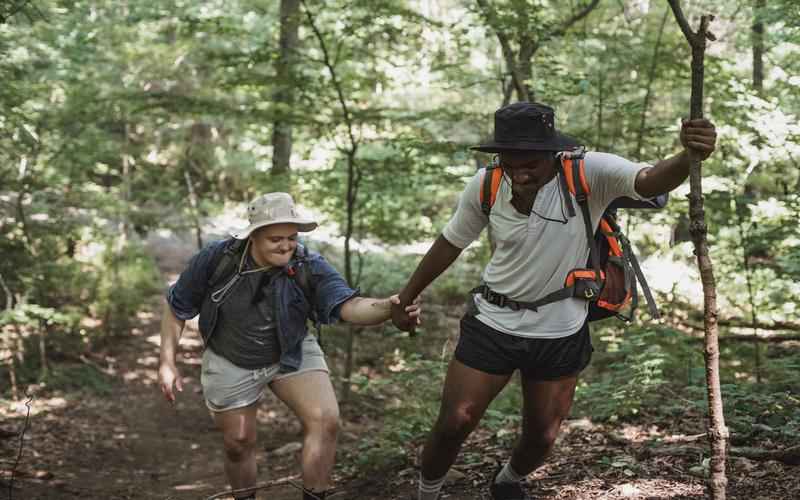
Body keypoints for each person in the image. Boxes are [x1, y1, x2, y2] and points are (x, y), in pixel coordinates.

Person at [390, 102, 717, 500]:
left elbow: (649, 182)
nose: (519, 174)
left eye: (530, 164)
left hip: (560, 330)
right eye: (510, 163)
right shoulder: (487, 183)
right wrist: (406, 297)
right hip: (492, 321)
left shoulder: (588, 173)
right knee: (454, 422)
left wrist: (688, 154)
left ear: (552, 154)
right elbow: (450, 242)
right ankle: (427, 493)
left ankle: (507, 481)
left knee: (542, 435)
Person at [158, 192, 421, 500]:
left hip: (291, 349)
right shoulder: (218, 259)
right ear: (253, 236)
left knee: (325, 420)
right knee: (238, 443)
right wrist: (167, 362)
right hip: (230, 356)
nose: (286, 246)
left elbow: (349, 306)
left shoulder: (308, 264)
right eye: (276, 239)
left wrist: (388, 308)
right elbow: (177, 307)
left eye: (292, 238)